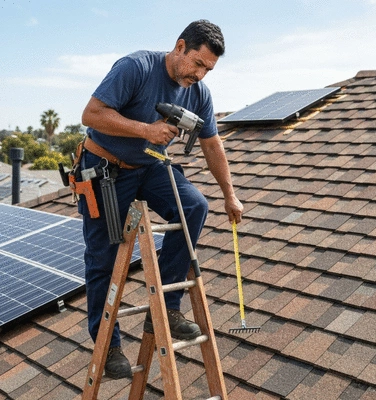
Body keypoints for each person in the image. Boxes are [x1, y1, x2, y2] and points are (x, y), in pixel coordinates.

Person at [80, 19, 243, 380]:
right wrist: (146, 130)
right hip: (105, 168)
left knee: (194, 206)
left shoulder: (198, 92)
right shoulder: (135, 67)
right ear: (180, 46)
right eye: (197, 64)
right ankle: (108, 347)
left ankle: (166, 309)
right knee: (103, 257)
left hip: (150, 166)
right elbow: (90, 114)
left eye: (208, 69)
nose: (200, 74)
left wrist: (230, 195)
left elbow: (212, 144)